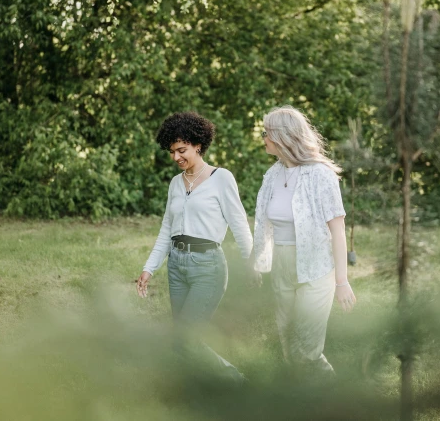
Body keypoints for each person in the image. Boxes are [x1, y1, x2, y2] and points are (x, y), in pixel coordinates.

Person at [137, 111, 256, 386]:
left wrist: (252, 263)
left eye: (182, 150)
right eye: (171, 151)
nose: (176, 157)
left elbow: (239, 225)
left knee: (185, 338)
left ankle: (238, 383)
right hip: (177, 267)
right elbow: (167, 230)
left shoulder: (221, 178)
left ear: (198, 145)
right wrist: (149, 268)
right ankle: (197, 391)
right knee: (182, 341)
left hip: (208, 267)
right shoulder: (176, 184)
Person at [252, 105, 356, 378]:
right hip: (282, 265)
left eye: (267, 132)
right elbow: (263, 224)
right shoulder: (272, 175)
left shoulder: (320, 175)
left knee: (308, 347)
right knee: (288, 342)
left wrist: (341, 282)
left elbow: (337, 229)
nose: (263, 137)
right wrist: (258, 260)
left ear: (283, 136)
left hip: (316, 267)